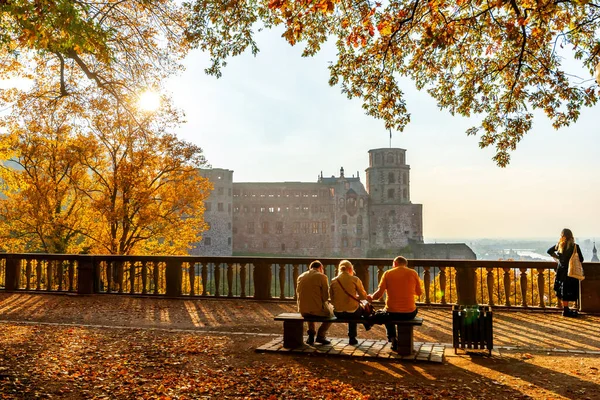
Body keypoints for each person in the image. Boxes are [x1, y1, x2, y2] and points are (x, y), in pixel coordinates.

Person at [367, 256, 422, 351]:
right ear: (405, 264)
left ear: (395, 263)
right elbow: (419, 292)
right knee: (412, 309)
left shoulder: (387, 273)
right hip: (409, 313)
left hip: (392, 312)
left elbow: (379, 294)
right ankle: (405, 341)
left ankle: (392, 338)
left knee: (387, 312)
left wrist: (371, 297)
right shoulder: (413, 273)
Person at [329, 260, 371, 345]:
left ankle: (355, 334)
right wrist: (357, 297)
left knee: (351, 309)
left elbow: (331, 298)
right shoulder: (355, 279)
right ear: (350, 269)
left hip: (338, 313)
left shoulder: (334, 280)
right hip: (353, 312)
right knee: (356, 310)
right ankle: (353, 337)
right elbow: (363, 297)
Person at [547, 228, 584, 317]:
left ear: (562, 236)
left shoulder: (559, 245)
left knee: (563, 290)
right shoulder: (575, 246)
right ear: (571, 236)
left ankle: (565, 309)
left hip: (561, 271)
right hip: (571, 271)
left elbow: (549, 251)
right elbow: (581, 259)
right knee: (570, 290)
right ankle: (568, 310)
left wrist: (559, 258)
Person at [296, 260, 332, 345]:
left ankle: (311, 335)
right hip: (316, 311)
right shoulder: (322, 277)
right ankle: (321, 335)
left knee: (310, 307)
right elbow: (325, 297)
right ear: (320, 268)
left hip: (303, 310)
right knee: (332, 314)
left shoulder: (301, 276)